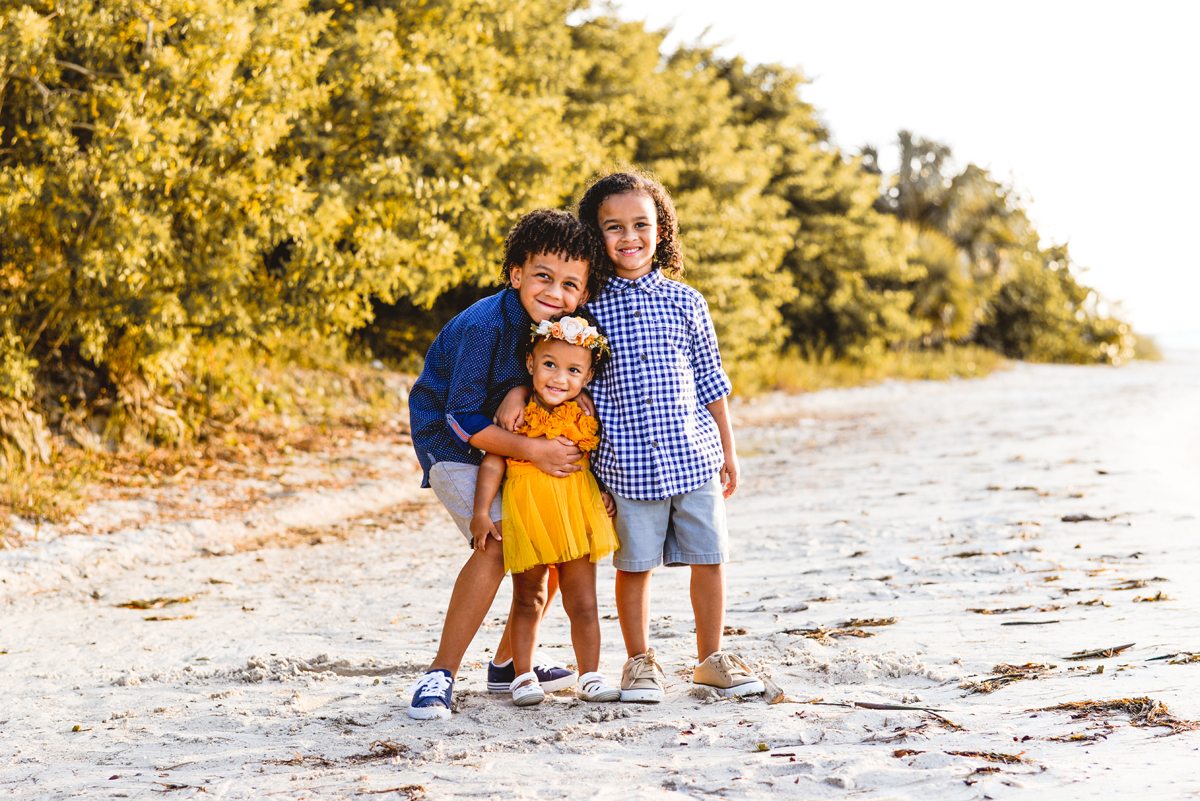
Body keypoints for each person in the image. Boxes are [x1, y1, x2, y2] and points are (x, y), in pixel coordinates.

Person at [405, 210, 607, 720]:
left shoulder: (562, 330)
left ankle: (507, 664)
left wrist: (526, 391)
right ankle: (439, 674)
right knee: (497, 544)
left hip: (513, 438)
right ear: (516, 273)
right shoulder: (483, 324)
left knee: (555, 535)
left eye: (569, 284)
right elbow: (462, 416)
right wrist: (535, 451)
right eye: (543, 276)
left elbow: (535, 376)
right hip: (452, 444)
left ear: (582, 293)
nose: (554, 291)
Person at [577, 170, 765, 701]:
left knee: (710, 557)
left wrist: (729, 451)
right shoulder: (586, 307)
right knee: (634, 566)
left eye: (641, 223)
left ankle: (711, 658)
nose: (629, 236)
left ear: (662, 229)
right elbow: (572, 383)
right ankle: (639, 663)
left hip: (694, 457)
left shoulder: (687, 302)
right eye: (613, 227)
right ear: (597, 234)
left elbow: (711, 380)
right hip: (625, 466)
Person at [471, 311, 622, 707]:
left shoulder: (585, 415)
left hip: (576, 512)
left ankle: (590, 674)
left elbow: (594, 460)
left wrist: (602, 492)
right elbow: (492, 462)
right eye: (550, 365)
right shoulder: (516, 415)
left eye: (573, 370)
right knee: (529, 598)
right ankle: (522, 675)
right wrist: (482, 512)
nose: (559, 378)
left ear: (587, 377)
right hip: (528, 513)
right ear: (530, 364)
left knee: (584, 601)